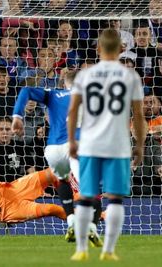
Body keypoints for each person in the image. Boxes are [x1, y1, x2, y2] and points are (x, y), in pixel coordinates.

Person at [68, 28, 145, 261]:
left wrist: (72, 140)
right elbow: (139, 115)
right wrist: (140, 145)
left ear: (98, 48)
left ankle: (81, 249)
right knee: (115, 199)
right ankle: (109, 251)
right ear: (122, 49)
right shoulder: (131, 76)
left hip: (90, 143)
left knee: (85, 197)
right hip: (118, 145)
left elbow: (73, 111)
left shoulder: (85, 75)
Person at [12, 71, 103, 247]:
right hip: (77, 145)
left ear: (64, 84)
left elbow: (26, 90)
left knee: (63, 180)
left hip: (53, 149)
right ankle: (91, 227)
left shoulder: (53, 94)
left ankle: (71, 222)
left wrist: (17, 116)